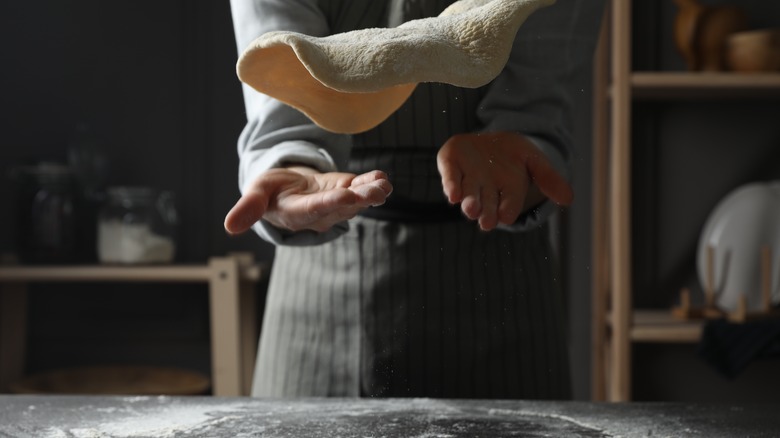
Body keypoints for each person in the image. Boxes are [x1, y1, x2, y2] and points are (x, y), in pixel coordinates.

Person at [226, 0, 604, 399]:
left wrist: (520, 156)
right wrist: (293, 165)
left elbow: (539, 103)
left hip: (498, 259)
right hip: (322, 253)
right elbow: (285, 90)